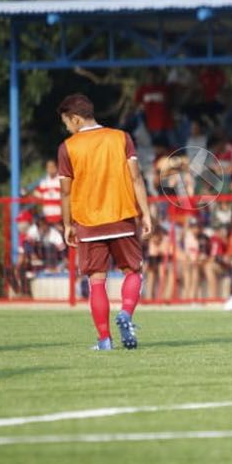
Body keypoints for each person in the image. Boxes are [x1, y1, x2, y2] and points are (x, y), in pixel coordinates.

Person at [57, 93, 154, 350]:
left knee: (96, 280)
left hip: (88, 222)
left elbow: (66, 192)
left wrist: (67, 224)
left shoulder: (68, 147)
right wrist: (145, 213)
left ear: (75, 119)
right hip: (121, 214)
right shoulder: (121, 137)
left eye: (66, 122)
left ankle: (104, 340)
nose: (67, 127)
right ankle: (126, 314)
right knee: (133, 271)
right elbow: (136, 178)